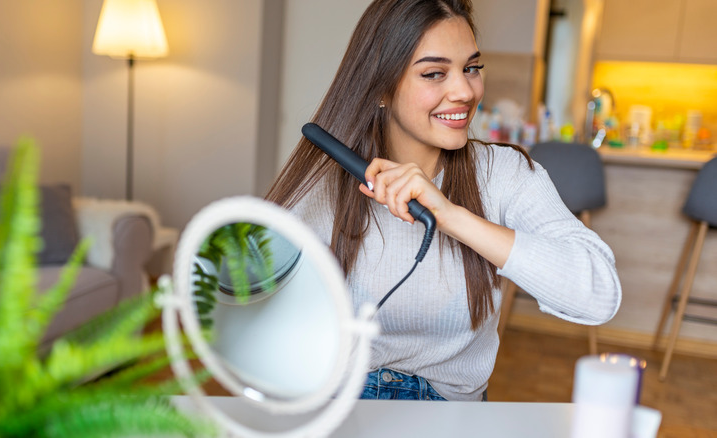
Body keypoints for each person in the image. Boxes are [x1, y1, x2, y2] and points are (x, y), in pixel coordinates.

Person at [266, 0, 621, 402]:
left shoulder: (504, 175)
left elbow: (600, 295)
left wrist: (451, 216)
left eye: (471, 68)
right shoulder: (327, 182)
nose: (465, 91)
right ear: (381, 86)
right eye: (435, 73)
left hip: (454, 414)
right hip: (340, 405)